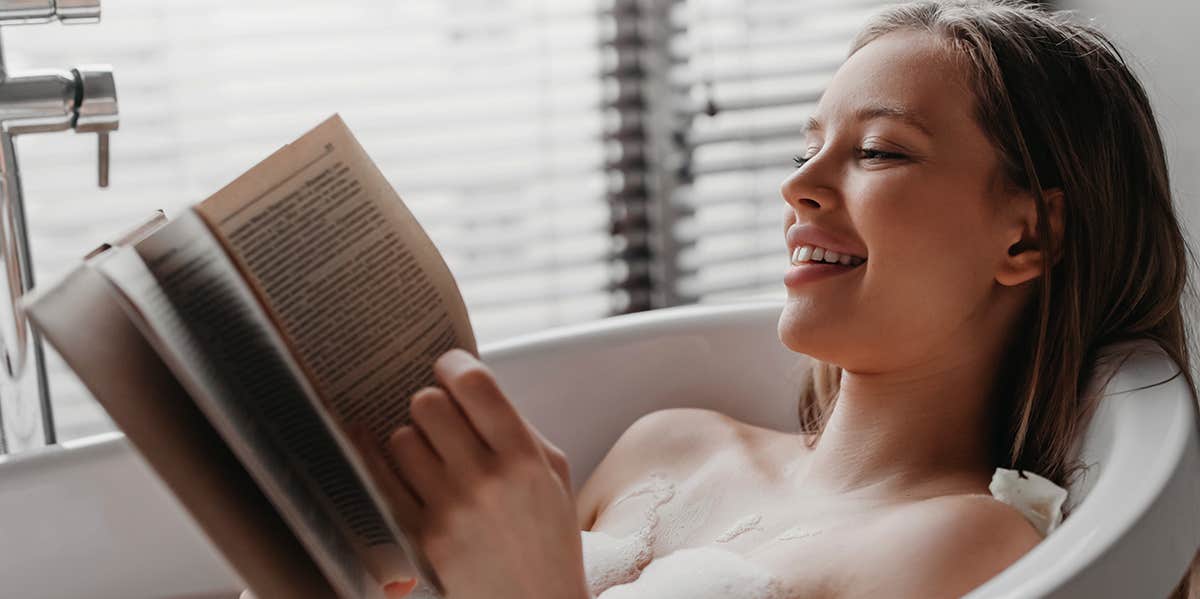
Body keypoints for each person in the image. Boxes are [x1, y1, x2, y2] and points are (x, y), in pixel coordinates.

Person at [313, 1, 1200, 597]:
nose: (800, 186)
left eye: (881, 151)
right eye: (806, 146)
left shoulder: (963, 545)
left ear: (1027, 237)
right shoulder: (669, 441)